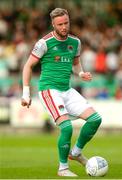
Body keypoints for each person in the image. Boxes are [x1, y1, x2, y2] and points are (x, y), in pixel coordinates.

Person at [21, 8, 102, 177]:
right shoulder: (44, 43)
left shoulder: (76, 42)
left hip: (67, 89)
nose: (64, 27)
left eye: (66, 23)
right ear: (53, 24)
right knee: (66, 128)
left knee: (95, 119)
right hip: (49, 90)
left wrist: (80, 73)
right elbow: (28, 66)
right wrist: (26, 93)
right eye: (60, 24)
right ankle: (63, 168)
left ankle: (76, 152)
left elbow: (76, 63)